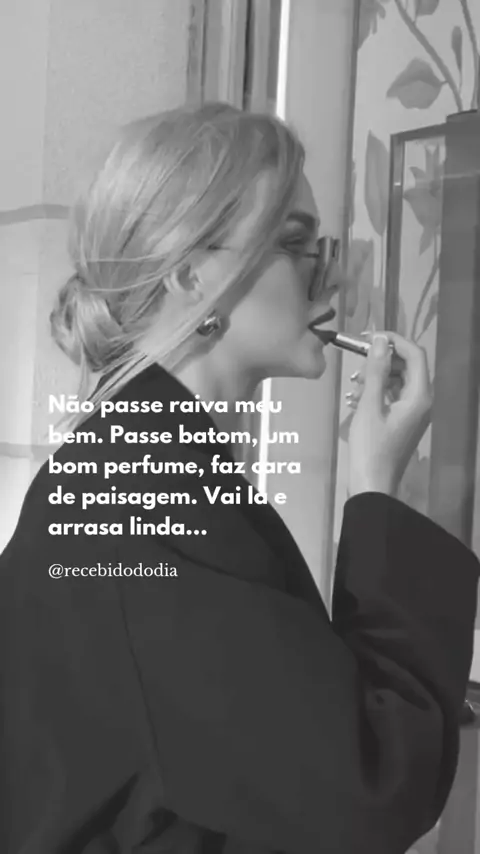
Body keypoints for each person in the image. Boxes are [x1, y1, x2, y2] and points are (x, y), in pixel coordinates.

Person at [0, 102, 478, 854]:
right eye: (295, 243)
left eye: (325, 245)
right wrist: (375, 489)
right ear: (191, 273)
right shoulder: (144, 495)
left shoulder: (139, 465)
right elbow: (370, 786)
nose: (331, 276)